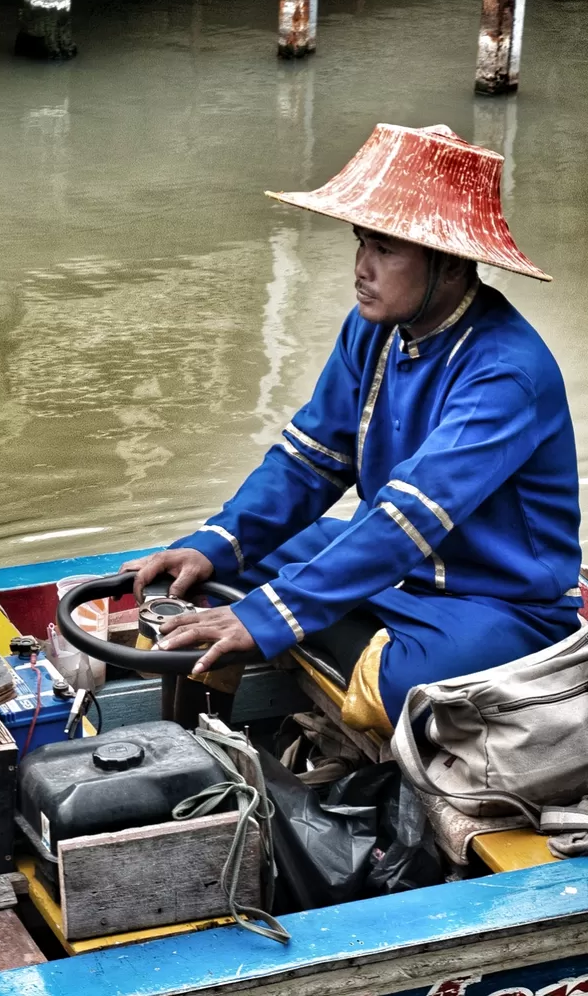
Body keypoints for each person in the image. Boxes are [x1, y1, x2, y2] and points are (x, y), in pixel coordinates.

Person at [127, 123, 582, 733]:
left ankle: (313, 630)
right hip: (395, 570)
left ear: (450, 265)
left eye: (385, 250)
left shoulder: (506, 373)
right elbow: (307, 461)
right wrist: (216, 541)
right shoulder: (373, 328)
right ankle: (201, 753)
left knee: (400, 685)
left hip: (494, 604)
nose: (362, 268)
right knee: (209, 573)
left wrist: (274, 612)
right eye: (360, 242)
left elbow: (408, 516)